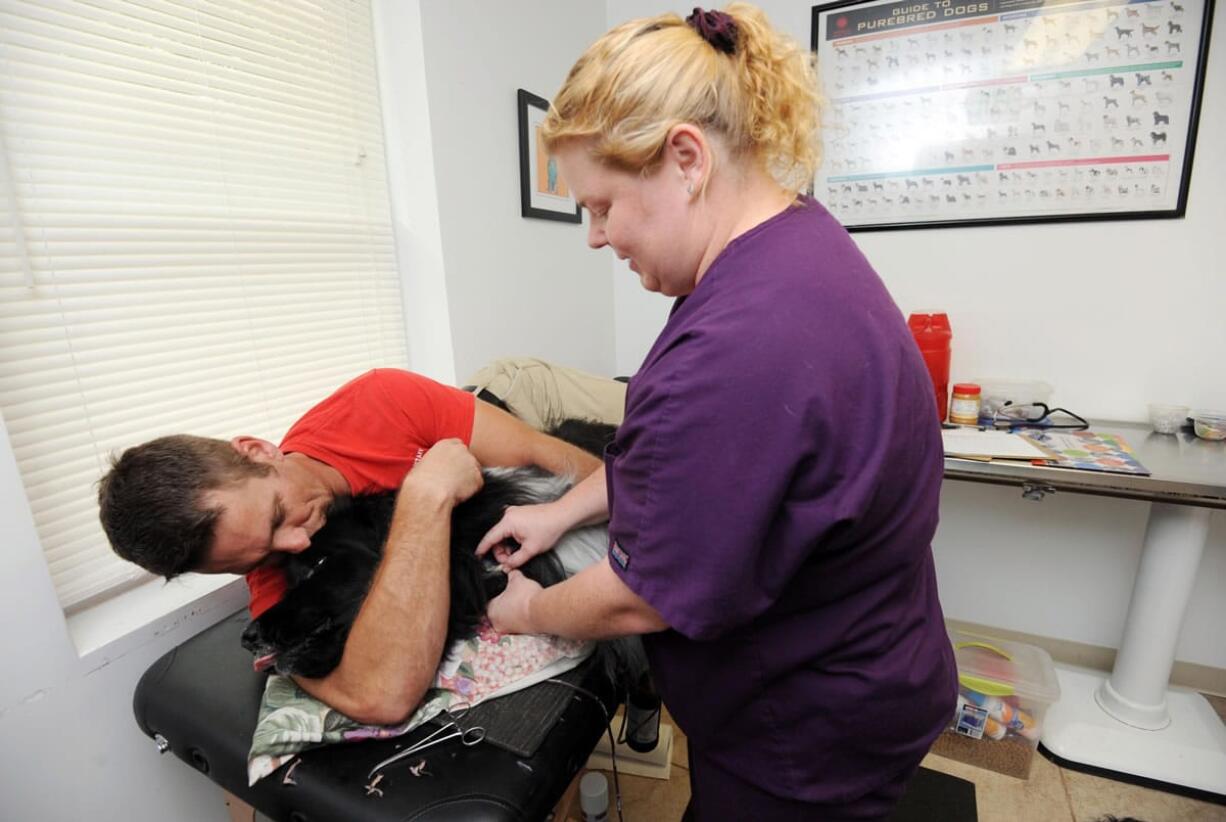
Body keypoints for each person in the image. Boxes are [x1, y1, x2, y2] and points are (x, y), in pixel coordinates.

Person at [476, 6, 957, 819]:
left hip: (804, 731)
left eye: (602, 206)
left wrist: (529, 608)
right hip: (874, 664)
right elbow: (687, 471)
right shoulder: (788, 249)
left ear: (686, 159)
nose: (596, 238)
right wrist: (563, 512)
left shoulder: (739, 346)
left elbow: (641, 595)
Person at [98, 367, 600, 724]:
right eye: (265, 555)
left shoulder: (381, 398)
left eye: (277, 515)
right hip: (463, 447)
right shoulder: (275, 585)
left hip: (521, 398)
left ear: (258, 451)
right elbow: (382, 696)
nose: (297, 542)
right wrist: (426, 496)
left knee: (658, 422)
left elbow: (564, 463)